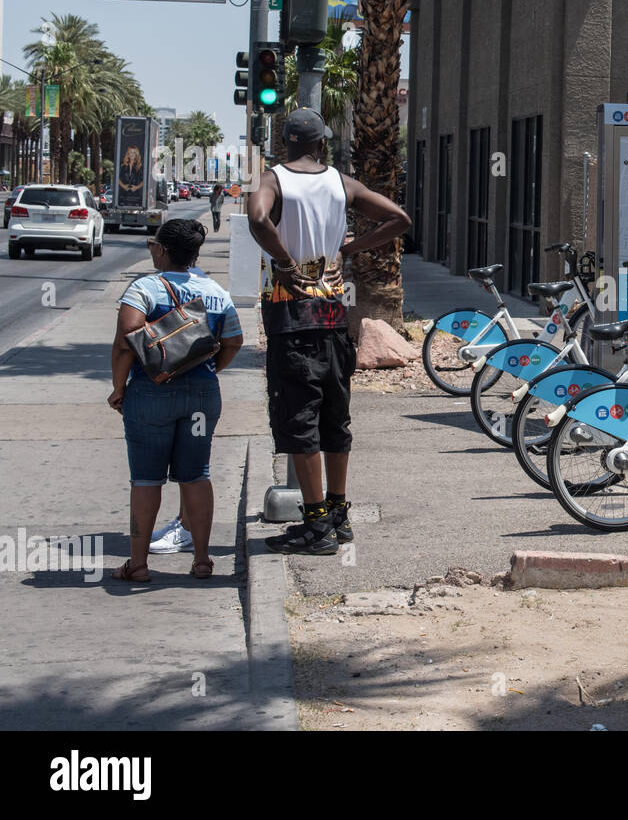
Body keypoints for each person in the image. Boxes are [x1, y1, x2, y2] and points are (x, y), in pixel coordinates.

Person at [248, 108, 410, 555]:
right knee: (335, 419)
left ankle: (316, 525)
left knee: (301, 423)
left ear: (286, 143)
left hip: (290, 318)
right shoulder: (343, 183)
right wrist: (350, 247)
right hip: (335, 318)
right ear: (322, 143)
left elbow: (258, 218)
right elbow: (399, 219)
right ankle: (338, 515)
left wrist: (283, 262)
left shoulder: (274, 179)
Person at [108, 218, 244, 582]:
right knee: (197, 474)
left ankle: (138, 565)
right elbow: (233, 340)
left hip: (151, 394)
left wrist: (119, 387)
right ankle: (202, 560)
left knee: (147, 479)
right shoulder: (216, 291)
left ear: (162, 250)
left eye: (154, 245)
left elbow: (125, 341)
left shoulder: (145, 288)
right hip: (201, 395)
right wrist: (210, 367)